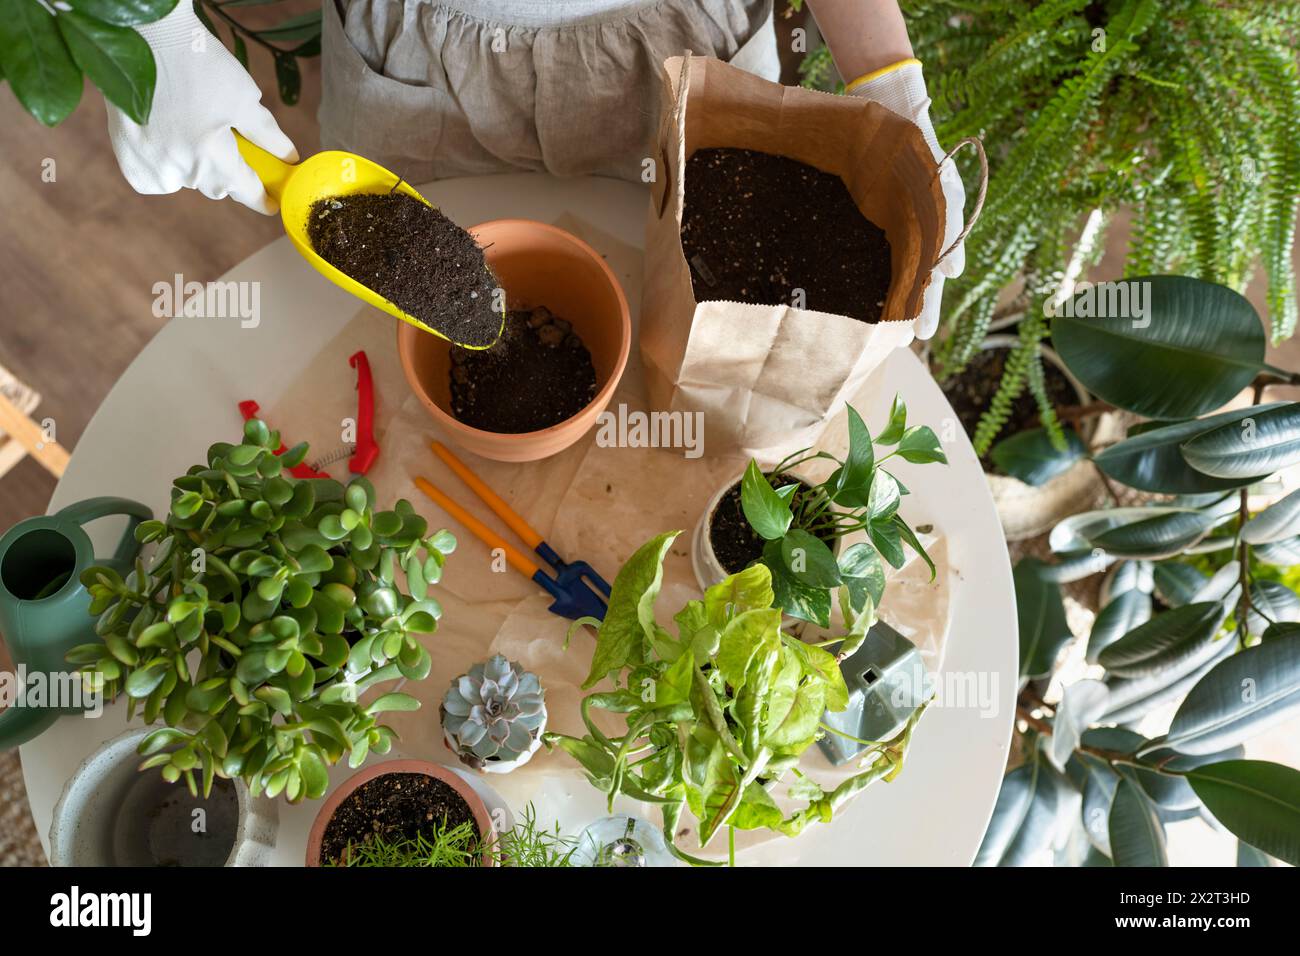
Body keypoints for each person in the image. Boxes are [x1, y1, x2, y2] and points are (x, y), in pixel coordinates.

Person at [108, 0, 966, 336]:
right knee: (409, 348)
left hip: (687, 53)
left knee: (696, 340)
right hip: (414, 62)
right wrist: (140, 30)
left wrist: (890, 80)